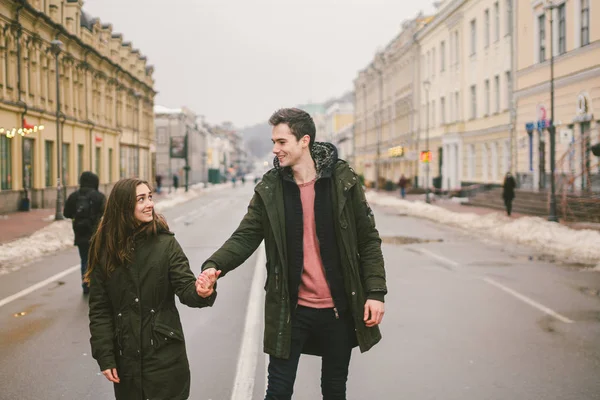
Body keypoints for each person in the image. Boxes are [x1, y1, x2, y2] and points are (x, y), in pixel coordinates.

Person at [196, 108, 387, 399]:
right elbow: (246, 236)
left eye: (282, 142)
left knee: (334, 389)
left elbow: (368, 239)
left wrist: (375, 292)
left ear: (304, 141)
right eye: (274, 141)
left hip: (339, 308)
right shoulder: (271, 188)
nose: (275, 149)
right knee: (278, 392)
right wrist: (215, 265)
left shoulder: (342, 180)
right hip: (290, 309)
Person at [86, 178, 216, 400]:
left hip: (165, 356)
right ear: (123, 206)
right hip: (127, 361)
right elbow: (100, 309)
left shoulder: (165, 244)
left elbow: (185, 287)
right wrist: (105, 356)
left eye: (150, 197)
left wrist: (202, 291)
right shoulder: (105, 249)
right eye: (141, 199)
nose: (150, 204)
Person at [63, 171, 106, 294]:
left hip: (80, 232)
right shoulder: (99, 196)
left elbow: (66, 213)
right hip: (95, 233)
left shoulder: (74, 196)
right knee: (97, 258)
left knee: (84, 258)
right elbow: (106, 211)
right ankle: (97, 283)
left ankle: (86, 283)